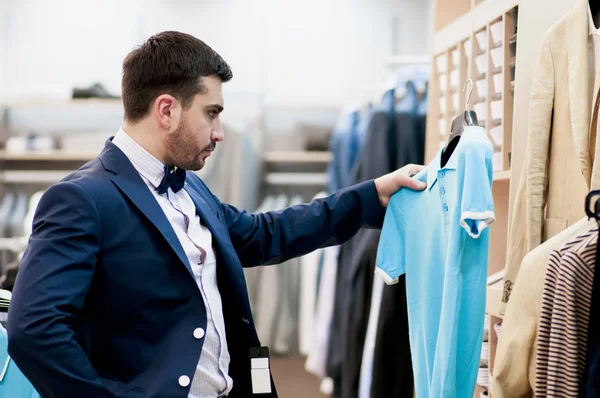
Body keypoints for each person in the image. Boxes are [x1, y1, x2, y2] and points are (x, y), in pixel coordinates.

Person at [6, 31, 426, 398]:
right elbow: (34, 329)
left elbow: (264, 233)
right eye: (212, 113)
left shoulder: (188, 186)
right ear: (166, 110)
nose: (219, 132)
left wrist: (372, 195)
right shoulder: (82, 199)